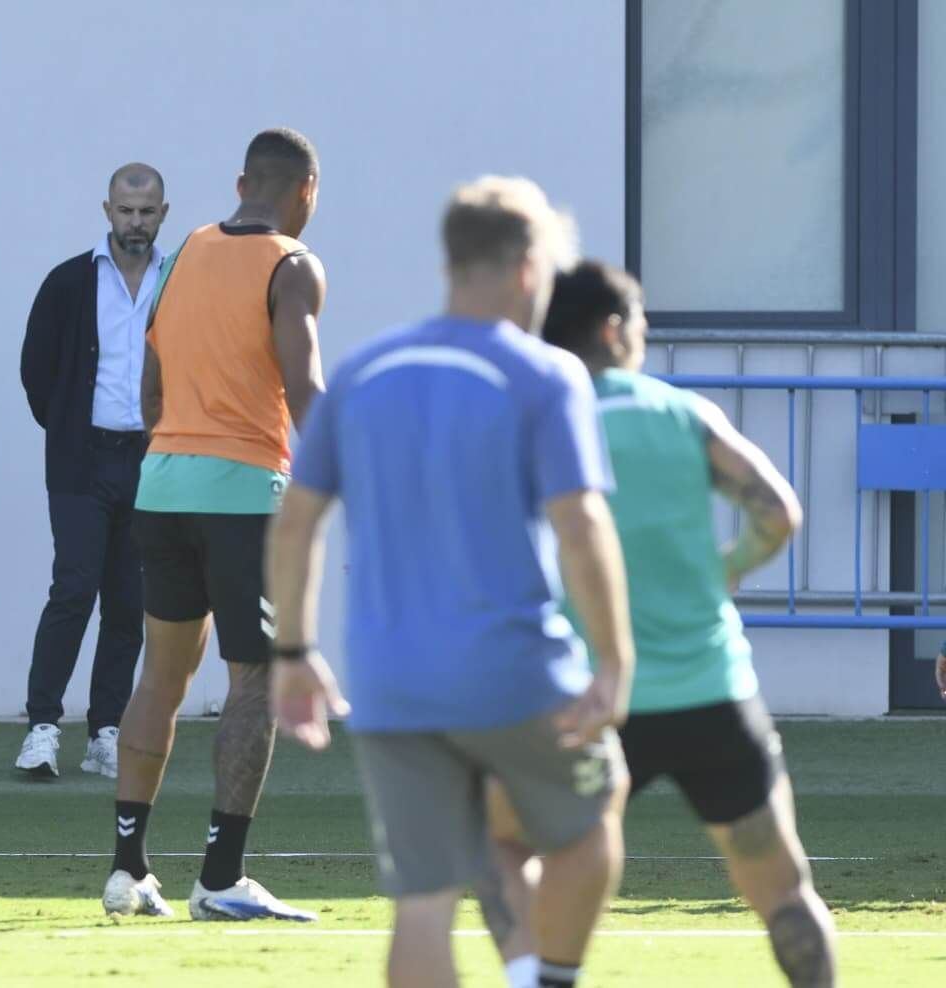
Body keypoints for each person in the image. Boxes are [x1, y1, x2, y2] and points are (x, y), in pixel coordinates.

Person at [265, 176, 633, 988]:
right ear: (530, 268)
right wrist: (613, 663)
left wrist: (294, 649)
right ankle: (550, 979)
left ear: (452, 260)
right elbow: (582, 527)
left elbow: (295, 522)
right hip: (514, 672)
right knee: (594, 813)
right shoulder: (545, 375)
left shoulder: (364, 371)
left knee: (424, 903)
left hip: (392, 684)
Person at [477, 260, 836, 987]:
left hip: (591, 700)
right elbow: (778, 512)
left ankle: (543, 975)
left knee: (501, 843)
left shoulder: (535, 426)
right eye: (641, 325)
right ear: (613, 330)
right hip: (714, 695)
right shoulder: (682, 412)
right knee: (785, 891)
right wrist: (728, 568)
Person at [102, 128, 326, 922]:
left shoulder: (187, 248)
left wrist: (177, 446)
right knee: (254, 680)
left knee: (160, 677)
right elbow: (305, 390)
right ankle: (221, 877)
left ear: (240, 183)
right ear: (307, 190)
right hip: (242, 499)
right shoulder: (292, 265)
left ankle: (128, 871)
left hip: (160, 487)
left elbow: (151, 383)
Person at [15, 164, 168, 779]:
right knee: (73, 588)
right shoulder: (70, 281)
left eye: (147, 211)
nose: (136, 222)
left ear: (164, 213)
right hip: (82, 459)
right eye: (126, 210)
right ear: (107, 210)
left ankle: (107, 729)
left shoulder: (177, 280)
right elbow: (36, 371)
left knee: (129, 600)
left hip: (152, 460)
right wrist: (70, 428)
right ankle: (42, 728)